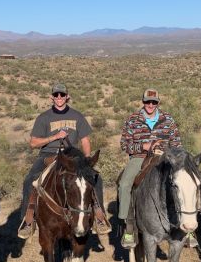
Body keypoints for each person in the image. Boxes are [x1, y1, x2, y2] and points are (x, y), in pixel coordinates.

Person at [17, 84, 111, 239]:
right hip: (48, 155)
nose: (59, 98)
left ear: (67, 96)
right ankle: (27, 221)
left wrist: (87, 160)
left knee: (96, 179)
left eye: (62, 95)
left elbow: (85, 140)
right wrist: (54, 137)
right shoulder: (44, 117)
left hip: (72, 155)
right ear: (51, 97)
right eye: (56, 95)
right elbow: (33, 143)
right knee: (29, 180)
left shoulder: (77, 116)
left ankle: (99, 217)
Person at [117, 88, 182, 248]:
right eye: (147, 102)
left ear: (158, 103)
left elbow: (177, 144)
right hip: (140, 158)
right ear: (143, 102)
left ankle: (187, 226)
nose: (150, 105)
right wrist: (144, 146)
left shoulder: (168, 120)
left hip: (165, 158)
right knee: (125, 184)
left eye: (154, 102)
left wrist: (167, 151)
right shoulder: (132, 120)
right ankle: (128, 226)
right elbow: (125, 144)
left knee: (185, 182)